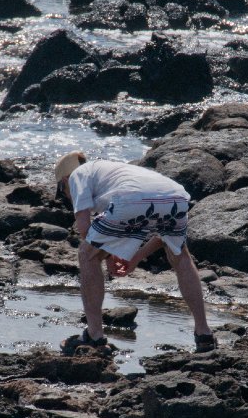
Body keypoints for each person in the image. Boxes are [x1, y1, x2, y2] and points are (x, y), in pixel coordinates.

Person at [54, 151, 217, 354]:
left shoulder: (78, 175)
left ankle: (95, 337)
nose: (66, 197)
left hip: (131, 199)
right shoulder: (113, 172)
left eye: (62, 191)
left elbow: (85, 230)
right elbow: (162, 236)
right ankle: (204, 333)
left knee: (86, 255)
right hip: (175, 197)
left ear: (65, 180)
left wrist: (109, 256)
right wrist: (135, 258)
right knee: (179, 253)